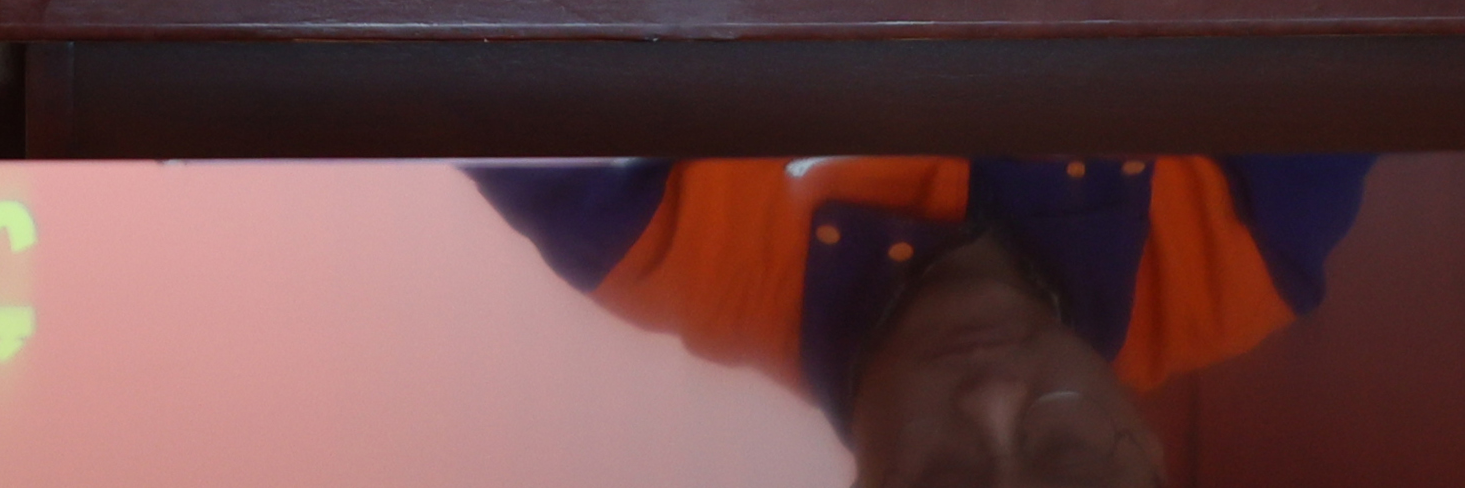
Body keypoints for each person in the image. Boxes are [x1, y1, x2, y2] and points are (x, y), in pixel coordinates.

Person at [469, 150, 1374, 484]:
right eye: (1065, 464)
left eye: (946, 478)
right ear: (1146, 459)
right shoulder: (1240, 255)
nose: (989, 401)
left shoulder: (658, 245)